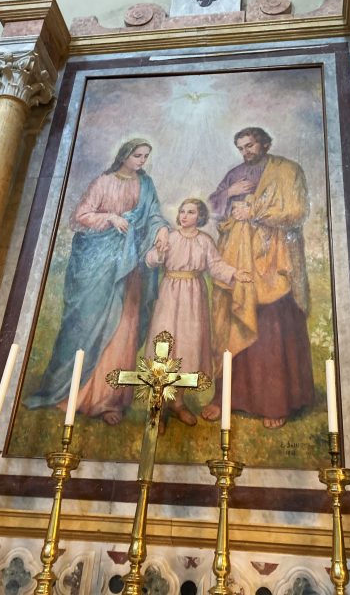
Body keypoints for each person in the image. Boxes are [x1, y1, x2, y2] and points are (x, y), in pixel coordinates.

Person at [25, 139, 169, 425]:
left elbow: (152, 215)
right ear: (124, 156)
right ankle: (71, 395)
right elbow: (79, 217)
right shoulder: (104, 182)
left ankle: (110, 400)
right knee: (86, 323)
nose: (142, 161)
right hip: (98, 263)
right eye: (137, 155)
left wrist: (162, 228)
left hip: (129, 266)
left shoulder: (146, 183)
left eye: (146, 156)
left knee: (124, 326)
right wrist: (111, 218)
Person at [203, 127, 314, 428]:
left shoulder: (288, 171)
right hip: (236, 257)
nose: (246, 152)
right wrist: (228, 194)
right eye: (241, 147)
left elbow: (296, 210)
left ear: (266, 142)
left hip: (273, 261)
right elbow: (211, 209)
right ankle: (226, 398)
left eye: (250, 145)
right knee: (229, 322)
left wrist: (252, 211)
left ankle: (274, 401)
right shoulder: (236, 173)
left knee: (272, 325)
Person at [144, 198, 250, 426]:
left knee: (188, 346)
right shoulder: (170, 237)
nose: (184, 216)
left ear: (199, 217)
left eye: (190, 212)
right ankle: (158, 406)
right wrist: (159, 253)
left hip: (194, 297)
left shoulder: (204, 241)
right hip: (170, 295)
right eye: (182, 211)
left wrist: (235, 274)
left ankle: (178, 402)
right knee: (164, 345)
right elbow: (150, 259)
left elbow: (216, 265)